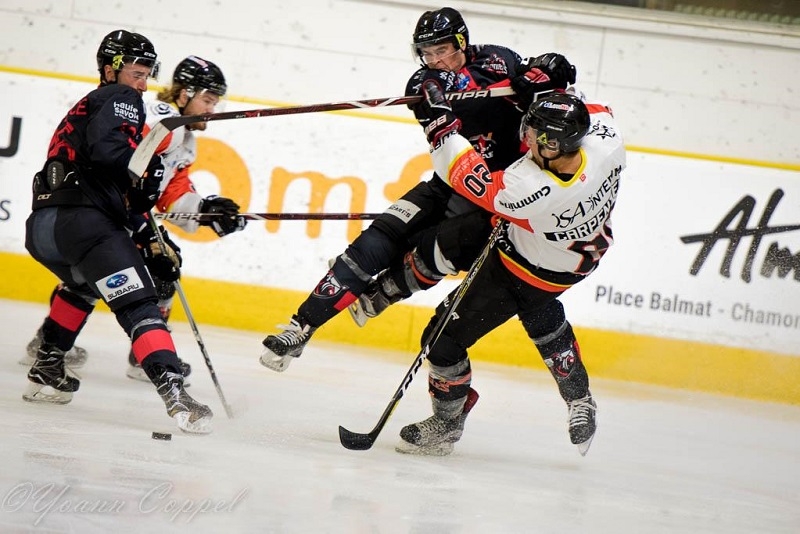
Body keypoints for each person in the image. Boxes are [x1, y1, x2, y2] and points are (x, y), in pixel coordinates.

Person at [259, 6, 576, 372]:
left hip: (495, 194)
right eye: (427, 53)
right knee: (375, 241)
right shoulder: (422, 83)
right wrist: (438, 106)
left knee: (432, 252)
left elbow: (548, 83)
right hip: (450, 182)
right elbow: (437, 117)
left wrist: (551, 70)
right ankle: (301, 327)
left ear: (461, 42)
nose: (435, 60)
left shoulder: (499, 60)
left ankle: (381, 294)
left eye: (442, 50)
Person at [394, 82, 625, 456]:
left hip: (531, 268)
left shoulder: (529, 189)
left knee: (443, 341)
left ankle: (449, 422)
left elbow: (465, 174)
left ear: (553, 146)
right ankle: (579, 399)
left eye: (534, 134)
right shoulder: (605, 140)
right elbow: (591, 103)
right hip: (573, 256)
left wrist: (441, 123)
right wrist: (551, 82)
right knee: (541, 318)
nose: (527, 138)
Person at [23, 29, 213, 434]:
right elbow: (114, 155)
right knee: (139, 303)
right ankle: (174, 392)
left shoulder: (89, 104)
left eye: (148, 76)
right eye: (136, 73)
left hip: (45, 228)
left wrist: (144, 229)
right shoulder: (119, 98)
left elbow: (118, 186)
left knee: (84, 285)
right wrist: (150, 169)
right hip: (85, 224)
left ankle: (47, 366)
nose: (142, 85)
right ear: (110, 68)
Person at [124, 54, 246, 381]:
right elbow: (128, 159)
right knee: (126, 273)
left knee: (163, 269)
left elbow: (171, 197)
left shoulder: (183, 137)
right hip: (114, 215)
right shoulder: (164, 121)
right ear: (183, 95)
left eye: (216, 101)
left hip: (129, 217)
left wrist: (208, 212)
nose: (212, 109)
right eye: (207, 100)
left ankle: (52, 346)